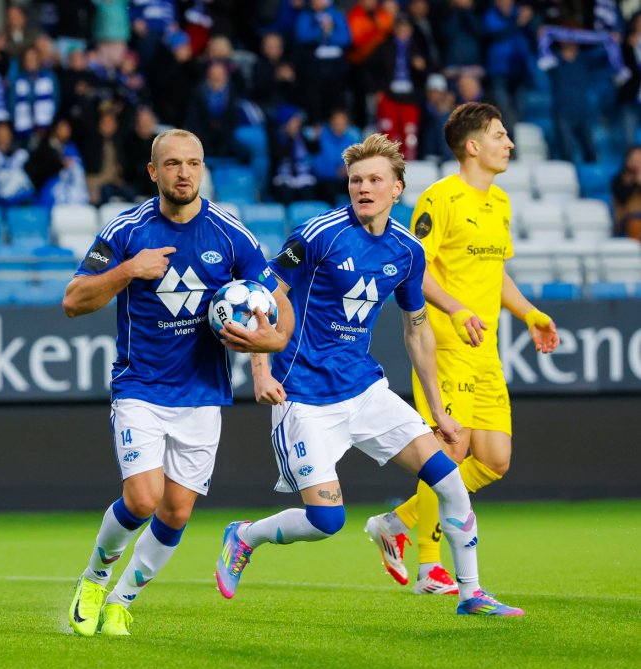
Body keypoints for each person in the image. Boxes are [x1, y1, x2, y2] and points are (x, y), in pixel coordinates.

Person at [214, 133, 526, 617]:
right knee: (326, 520)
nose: (363, 187)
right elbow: (261, 296)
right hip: (304, 396)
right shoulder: (317, 234)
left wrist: (439, 410)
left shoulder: (407, 250)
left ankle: (472, 593)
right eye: (356, 179)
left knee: (449, 480)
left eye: (375, 179)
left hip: (365, 390)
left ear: (397, 189)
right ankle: (244, 535)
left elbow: (417, 332)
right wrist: (260, 370)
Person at [62, 129, 293, 637]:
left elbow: (276, 298)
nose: (184, 172)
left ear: (203, 168)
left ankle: (122, 601)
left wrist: (270, 346)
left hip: (203, 394)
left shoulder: (231, 233)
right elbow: (74, 300)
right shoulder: (126, 231)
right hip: (140, 387)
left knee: (176, 510)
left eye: (193, 163)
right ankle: (95, 578)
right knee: (142, 499)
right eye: (172, 164)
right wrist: (128, 271)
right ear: (153, 172)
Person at [362, 103, 559, 594]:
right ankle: (431, 567)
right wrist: (454, 308)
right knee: (450, 449)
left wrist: (529, 312)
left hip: (486, 348)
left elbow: (495, 274)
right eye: (499, 134)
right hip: (447, 344)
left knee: (494, 459)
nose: (508, 143)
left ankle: (395, 523)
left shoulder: (500, 203)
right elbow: (416, 266)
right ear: (473, 146)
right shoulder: (440, 199)